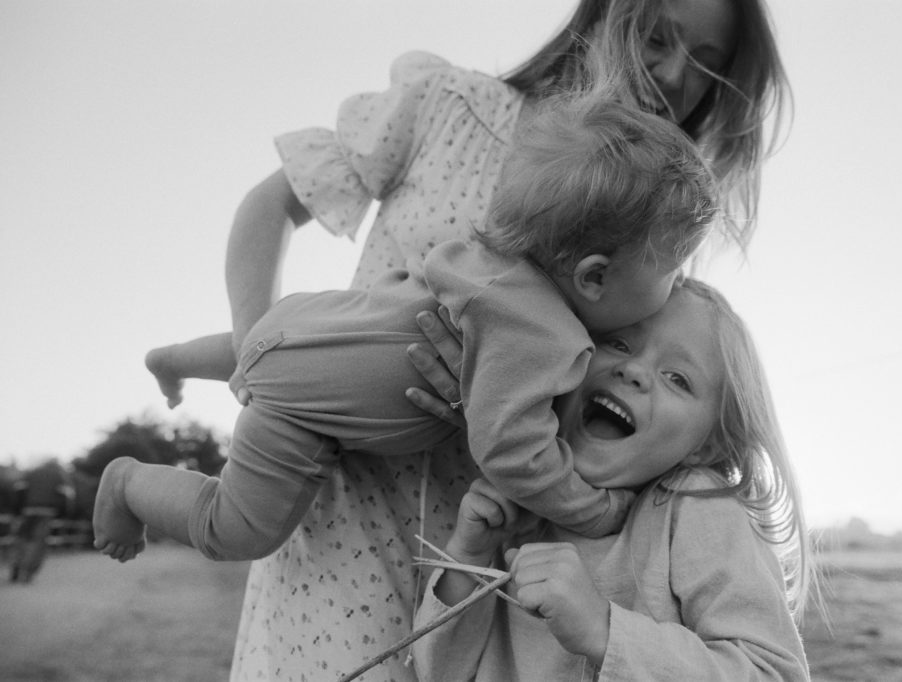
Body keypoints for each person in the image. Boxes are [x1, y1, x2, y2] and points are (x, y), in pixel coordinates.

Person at [140, 1, 787, 678]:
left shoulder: (657, 233)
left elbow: (611, 408)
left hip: (483, 562)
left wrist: (500, 389)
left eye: (709, 67)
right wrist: (262, 358)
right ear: (602, 15)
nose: (676, 73)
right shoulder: (448, 105)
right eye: (657, 38)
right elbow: (269, 206)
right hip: (336, 514)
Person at [92, 90, 717, 564]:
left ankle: (174, 359)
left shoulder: (484, 262)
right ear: (594, 278)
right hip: (295, 411)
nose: (677, 285)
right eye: (673, 269)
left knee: (257, 348)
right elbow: (511, 448)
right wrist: (593, 511)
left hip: (304, 322)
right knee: (236, 529)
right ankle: (130, 484)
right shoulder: (540, 334)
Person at [411, 280, 812, 681]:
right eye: (618, 344)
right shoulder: (517, 509)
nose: (634, 370)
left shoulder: (695, 503)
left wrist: (605, 631)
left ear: (705, 447)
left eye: (678, 378)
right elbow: (436, 674)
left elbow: (773, 673)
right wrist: (468, 559)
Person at [9, 459, 75, 583]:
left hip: (27, 510)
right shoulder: (59, 476)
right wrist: (64, 515)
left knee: (21, 540)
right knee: (38, 544)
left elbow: (18, 491)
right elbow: (67, 497)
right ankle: (27, 573)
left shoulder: (31, 473)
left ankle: (16, 567)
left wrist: (17, 511)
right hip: (47, 512)